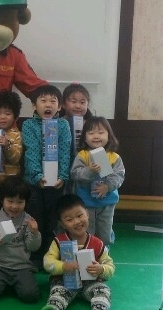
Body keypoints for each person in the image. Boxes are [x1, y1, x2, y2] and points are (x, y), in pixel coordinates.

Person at [41, 194, 115, 310]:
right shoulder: (58, 242)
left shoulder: (98, 243)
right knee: (58, 292)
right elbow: (47, 262)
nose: (76, 222)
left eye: (80, 215)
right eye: (69, 219)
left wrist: (101, 269)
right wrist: (63, 266)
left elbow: (110, 266)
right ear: (62, 224)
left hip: (90, 284)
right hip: (65, 282)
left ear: (87, 214)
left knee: (104, 291)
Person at [22, 84, 72, 260]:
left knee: (53, 219)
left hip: (56, 182)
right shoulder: (28, 125)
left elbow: (65, 152)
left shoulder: (63, 125)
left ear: (60, 106)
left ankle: (51, 255)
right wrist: (37, 176)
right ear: (34, 105)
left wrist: (62, 176)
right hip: (34, 182)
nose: (48, 104)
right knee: (36, 218)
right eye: (43, 101)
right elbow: (31, 151)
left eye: (53, 101)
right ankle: (35, 255)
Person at [0, 176, 41, 303]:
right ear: (2, 200)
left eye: (20, 202)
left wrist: (35, 233)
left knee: (30, 295)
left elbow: (33, 247)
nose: (14, 206)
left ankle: (16, 284)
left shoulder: (28, 220)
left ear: (26, 202)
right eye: (10, 201)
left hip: (22, 266)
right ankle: (8, 284)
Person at [70, 116, 124, 247]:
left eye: (101, 132)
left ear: (109, 136)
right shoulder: (82, 155)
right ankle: (88, 250)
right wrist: (90, 171)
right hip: (86, 202)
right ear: (84, 137)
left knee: (105, 229)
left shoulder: (114, 157)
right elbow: (75, 174)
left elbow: (119, 176)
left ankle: (104, 249)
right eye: (91, 133)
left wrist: (107, 186)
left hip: (107, 202)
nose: (96, 136)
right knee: (87, 228)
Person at [60, 83, 94, 168]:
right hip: (61, 166)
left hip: (86, 167)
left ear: (87, 104)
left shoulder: (92, 125)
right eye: (73, 101)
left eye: (82, 102)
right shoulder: (57, 123)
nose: (78, 106)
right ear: (63, 104)